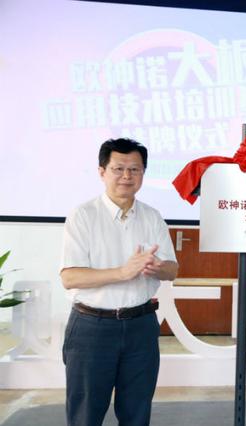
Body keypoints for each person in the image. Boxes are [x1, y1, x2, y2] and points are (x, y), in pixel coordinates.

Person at [60, 138, 178, 426]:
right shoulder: (83, 216)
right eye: (118, 168)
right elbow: (69, 277)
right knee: (86, 414)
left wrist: (158, 268)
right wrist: (123, 272)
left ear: (143, 174)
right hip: (92, 327)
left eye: (135, 169)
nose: (127, 176)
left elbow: (172, 270)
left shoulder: (152, 216)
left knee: (137, 412)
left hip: (141, 326)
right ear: (102, 172)